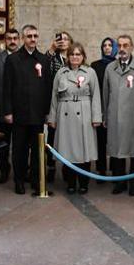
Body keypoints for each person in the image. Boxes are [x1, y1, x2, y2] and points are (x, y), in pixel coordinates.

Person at [3, 24, 53, 195]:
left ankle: (36, 180)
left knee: (38, 150)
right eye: (29, 36)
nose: (33, 39)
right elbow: (7, 87)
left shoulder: (44, 60)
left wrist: (47, 112)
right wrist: (8, 111)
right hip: (20, 113)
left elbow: (48, 88)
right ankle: (19, 180)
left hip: (38, 114)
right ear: (23, 38)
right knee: (19, 149)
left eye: (35, 36)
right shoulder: (13, 60)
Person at [48, 42, 102, 194]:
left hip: (84, 113)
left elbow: (96, 96)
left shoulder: (90, 72)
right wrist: (52, 117)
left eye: (78, 54)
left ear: (83, 56)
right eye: (72, 54)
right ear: (68, 56)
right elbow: (54, 96)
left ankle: (83, 183)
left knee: (84, 151)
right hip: (65, 113)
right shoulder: (61, 73)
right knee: (68, 151)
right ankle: (70, 183)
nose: (75, 57)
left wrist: (96, 116)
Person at [102, 35, 134, 196]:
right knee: (117, 150)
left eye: (125, 45)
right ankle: (119, 182)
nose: (122, 49)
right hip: (114, 115)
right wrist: (105, 115)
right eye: (119, 45)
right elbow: (105, 94)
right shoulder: (110, 68)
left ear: (132, 47)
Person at [0, 28, 20, 184]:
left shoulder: (24, 57)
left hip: (20, 109)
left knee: (20, 145)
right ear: (5, 40)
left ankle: (20, 171)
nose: (12, 41)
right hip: (3, 108)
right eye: (9, 38)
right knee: (3, 143)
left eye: (15, 38)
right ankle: (4, 169)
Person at [45, 30, 72, 181]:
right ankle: (50, 166)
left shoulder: (74, 57)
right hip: (55, 103)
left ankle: (68, 167)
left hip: (70, 105)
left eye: (66, 39)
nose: (63, 42)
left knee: (68, 137)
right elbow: (43, 65)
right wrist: (52, 49)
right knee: (52, 135)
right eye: (60, 39)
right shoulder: (52, 58)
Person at [91, 37, 118, 180]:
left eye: (109, 45)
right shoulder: (95, 65)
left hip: (114, 108)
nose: (107, 48)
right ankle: (101, 169)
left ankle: (115, 169)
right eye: (104, 45)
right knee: (101, 141)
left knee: (114, 140)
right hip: (100, 107)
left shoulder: (118, 64)